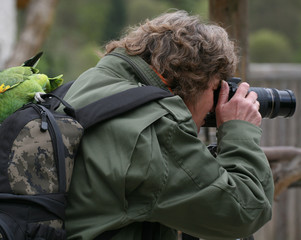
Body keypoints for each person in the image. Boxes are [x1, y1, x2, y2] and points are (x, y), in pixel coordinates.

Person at [61, 10, 274, 240]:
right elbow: (246, 210)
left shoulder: (87, 85)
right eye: (215, 89)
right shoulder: (150, 130)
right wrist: (239, 129)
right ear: (194, 81)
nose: (215, 104)